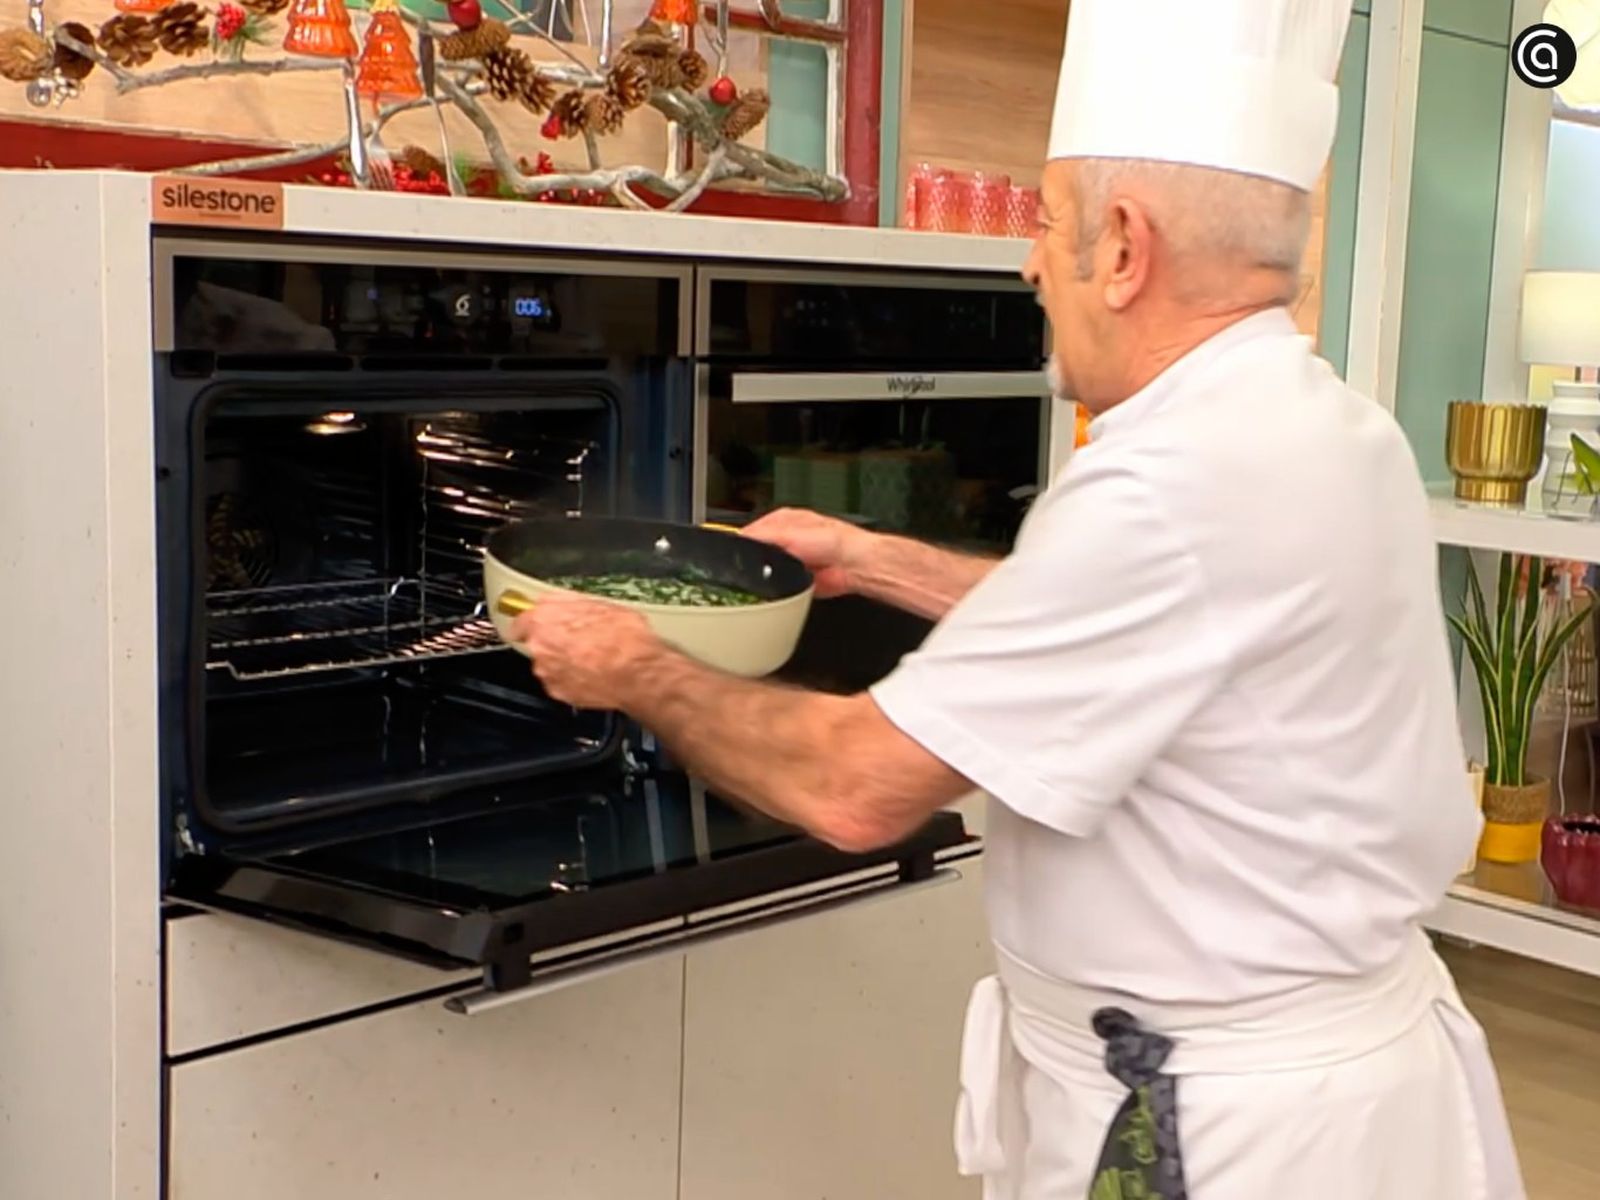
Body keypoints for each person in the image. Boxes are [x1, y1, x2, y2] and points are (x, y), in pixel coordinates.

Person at [511, 0, 1527, 1194]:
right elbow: (1138, 634)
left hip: (1223, 1135)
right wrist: (875, 558)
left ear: (1126, 248)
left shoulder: (1164, 487)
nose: (1031, 258)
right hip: (1339, 1088)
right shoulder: (1325, 431)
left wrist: (635, 665)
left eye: (1048, 220)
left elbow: (852, 785)